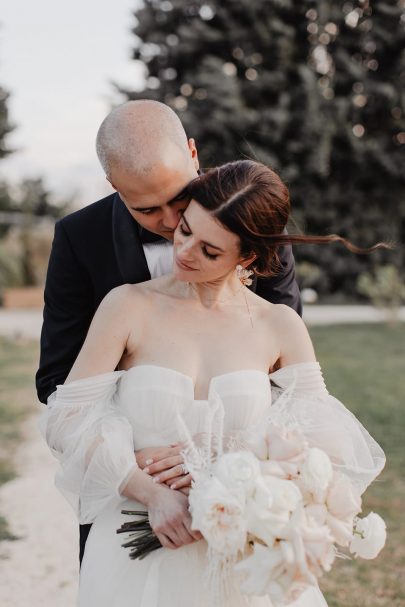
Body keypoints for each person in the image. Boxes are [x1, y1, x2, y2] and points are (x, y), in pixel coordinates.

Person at [40, 160, 385, 607]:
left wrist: (234, 454)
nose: (184, 252)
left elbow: (329, 446)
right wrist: (147, 489)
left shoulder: (279, 325)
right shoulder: (126, 306)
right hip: (136, 549)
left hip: (244, 553)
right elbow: (67, 421)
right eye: (185, 230)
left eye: (210, 251)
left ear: (247, 257)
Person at [36, 100, 302, 562]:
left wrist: (224, 451)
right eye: (145, 209)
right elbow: (56, 381)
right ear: (113, 185)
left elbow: (286, 381)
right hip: (128, 506)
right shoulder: (80, 239)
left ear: (193, 154)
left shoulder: (250, 213)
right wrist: (133, 462)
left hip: (240, 502)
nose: (169, 223)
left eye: (178, 198)